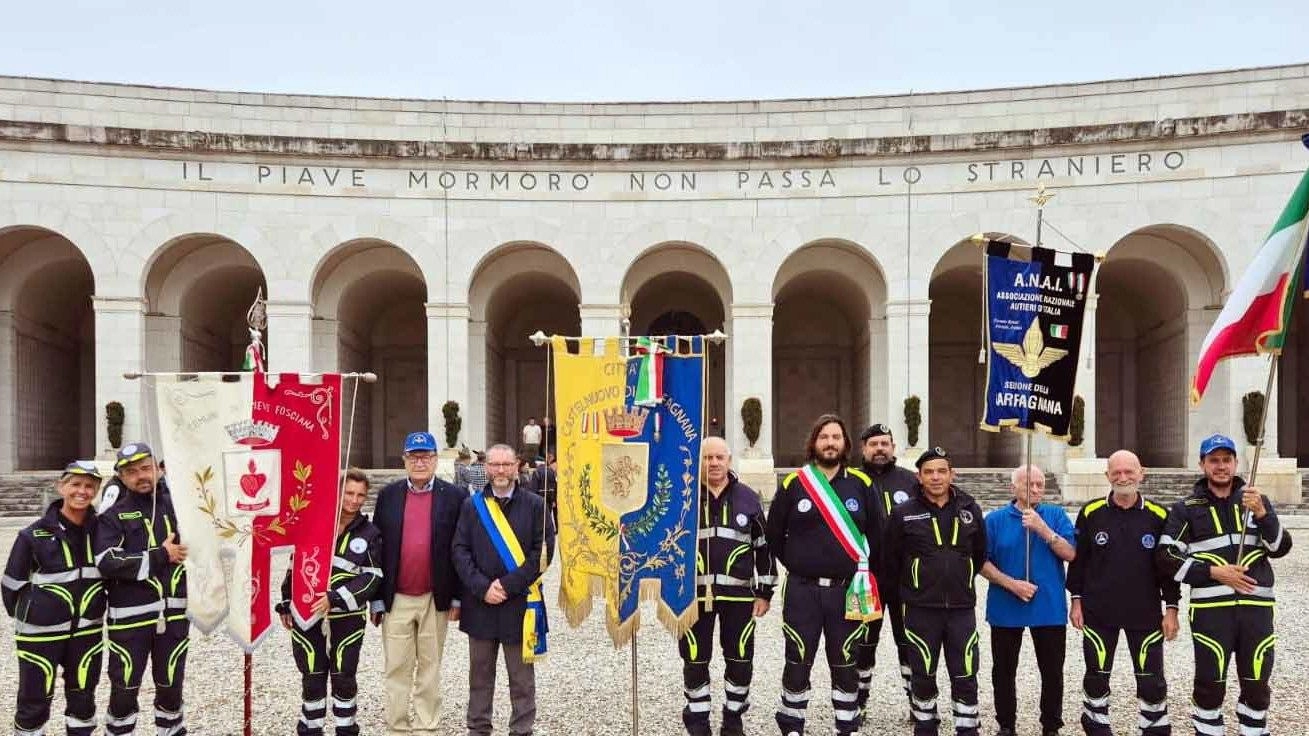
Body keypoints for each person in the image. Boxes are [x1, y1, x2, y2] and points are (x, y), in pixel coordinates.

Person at [1157, 434, 1292, 736]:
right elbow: (1166, 558)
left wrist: (1262, 514)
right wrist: (1215, 572)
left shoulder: (1256, 501)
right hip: (1210, 612)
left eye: (1226, 460)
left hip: (1256, 610)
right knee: (1209, 684)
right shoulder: (1186, 508)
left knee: (1257, 683)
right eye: (1214, 460)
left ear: (1235, 463)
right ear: (1202, 464)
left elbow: (1281, 547)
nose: (1221, 467)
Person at [766, 414, 880, 736]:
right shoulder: (794, 483)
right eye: (824, 437)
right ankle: (791, 724)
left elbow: (878, 536)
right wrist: (800, 564)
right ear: (813, 442)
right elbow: (774, 535)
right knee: (798, 655)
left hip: (849, 590)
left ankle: (847, 724)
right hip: (802, 590)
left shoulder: (862, 483)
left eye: (836, 437)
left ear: (845, 444)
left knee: (846, 658)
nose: (830, 443)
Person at [1067, 450, 1178, 736]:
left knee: (1152, 680)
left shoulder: (1160, 515)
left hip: (1145, 614)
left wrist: (1172, 609)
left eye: (1129, 471)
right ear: (1107, 476)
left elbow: (1168, 567)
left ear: (1142, 473)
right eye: (1116, 472)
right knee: (1096, 676)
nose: (1123, 477)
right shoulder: (1091, 513)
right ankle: (1096, 727)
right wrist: (1075, 601)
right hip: (1099, 612)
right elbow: (1079, 562)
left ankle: (1153, 729)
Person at [881, 447, 987, 736]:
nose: (936, 477)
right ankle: (926, 727)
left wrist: (959, 577)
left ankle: (967, 729)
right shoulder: (904, 512)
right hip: (919, 609)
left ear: (952, 474)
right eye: (929, 472)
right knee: (923, 674)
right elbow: (890, 559)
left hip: (961, 609)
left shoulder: (970, 508)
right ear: (919, 476)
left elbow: (979, 555)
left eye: (942, 471)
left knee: (965, 673)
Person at [452, 443, 555, 736]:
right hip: (481, 604)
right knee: (480, 676)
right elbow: (460, 551)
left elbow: (543, 552)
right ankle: (478, 728)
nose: (500, 470)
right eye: (495, 465)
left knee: (521, 678)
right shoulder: (471, 506)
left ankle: (522, 729)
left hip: (519, 605)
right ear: (486, 468)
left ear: (517, 466)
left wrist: (507, 586)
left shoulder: (536, 505)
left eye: (506, 465)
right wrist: (483, 587)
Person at [371, 431, 469, 736]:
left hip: (435, 597)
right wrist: (375, 598)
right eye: (413, 457)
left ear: (436, 460)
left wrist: (457, 597)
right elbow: (376, 549)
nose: (420, 462)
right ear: (404, 460)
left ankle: (427, 724)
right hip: (397, 596)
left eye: (426, 456)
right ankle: (397, 725)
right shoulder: (388, 496)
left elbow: (461, 547)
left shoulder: (455, 497)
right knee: (397, 665)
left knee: (430, 665)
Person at [677, 437, 775, 736]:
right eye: (707, 458)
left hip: (739, 598)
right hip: (694, 598)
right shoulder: (685, 496)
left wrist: (765, 592)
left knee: (740, 658)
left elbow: (764, 548)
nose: (714, 463)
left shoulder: (748, 497)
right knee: (695, 658)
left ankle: (733, 718)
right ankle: (698, 721)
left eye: (719, 457)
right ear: (699, 461)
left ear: (729, 460)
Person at [3, 461, 107, 736]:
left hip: (87, 634)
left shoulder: (103, 531)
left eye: (89, 486)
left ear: (96, 490)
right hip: (40, 636)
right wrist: (37, 613)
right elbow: (11, 585)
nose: (82, 491)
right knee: (34, 703)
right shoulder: (31, 535)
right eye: (75, 484)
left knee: (84, 701)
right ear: (61, 486)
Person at [93, 442, 190, 736]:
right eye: (132, 472)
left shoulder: (178, 509)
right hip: (129, 622)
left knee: (171, 688)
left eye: (145, 468)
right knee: (124, 692)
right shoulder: (113, 516)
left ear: (158, 469)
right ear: (121, 477)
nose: (141, 476)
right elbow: (106, 561)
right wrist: (161, 555)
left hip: (174, 619)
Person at [277, 469, 382, 736]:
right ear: (337, 493)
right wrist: (287, 600)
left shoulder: (370, 533)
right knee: (312, 677)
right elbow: (294, 565)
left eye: (361, 495)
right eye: (349, 493)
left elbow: (373, 578)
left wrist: (334, 599)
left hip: (347, 619)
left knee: (344, 678)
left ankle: (346, 730)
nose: (355, 500)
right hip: (307, 617)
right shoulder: (313, 522)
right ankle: (310, 729)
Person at [980, 465, 1076, 736]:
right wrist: (1011, 584)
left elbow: (1070, 554)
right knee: (1004, 670)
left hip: (1048, 606)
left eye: (1040, 485)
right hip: (1006, 605)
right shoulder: (995, 520)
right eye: (1028, 484)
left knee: (1052, 671)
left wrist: (1043, 529)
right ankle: (1007, 724)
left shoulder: (1055, 515)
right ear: (1013, 487)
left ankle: (1051, 725)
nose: (1035, 490)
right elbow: (981, 562)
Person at [854, 422, 918, 717]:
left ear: (893, 447)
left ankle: (918, 702)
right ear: (863, 449)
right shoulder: (850, 481)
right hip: (866, 580)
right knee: (863, 643)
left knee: (909, 642)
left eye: (885, 443)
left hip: (906, 580)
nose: (880, 448)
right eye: (874, 444)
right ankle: (857, 702)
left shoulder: (911, 481)